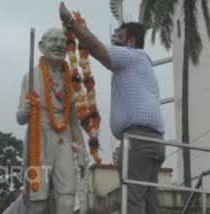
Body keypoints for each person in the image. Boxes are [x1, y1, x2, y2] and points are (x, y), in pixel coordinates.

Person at [59, 2, 165, 214]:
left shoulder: (132, 55)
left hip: (139, 140)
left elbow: (97, 49)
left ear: (130, 42)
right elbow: (95, 44)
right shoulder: (140, 62)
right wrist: (81, 28)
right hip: (152, 141)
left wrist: (71, 22)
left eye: (119, 36)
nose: (114, 40)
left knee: (133, 200)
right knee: (149, 202)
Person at [15, 27, 86, 214]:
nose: (59, 44)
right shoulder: (30, 77)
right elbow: (20, 118)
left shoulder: (71, 81)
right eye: (53, 40)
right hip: (40, 138)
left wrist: (82, 149)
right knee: (37, 199)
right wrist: (25, 111)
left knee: (67, 197)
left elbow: (73, 122)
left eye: (62, 41)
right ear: (41, 46)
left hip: (65, 139)